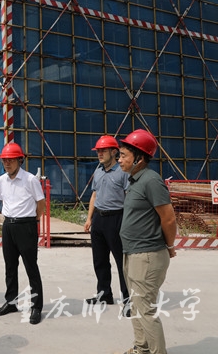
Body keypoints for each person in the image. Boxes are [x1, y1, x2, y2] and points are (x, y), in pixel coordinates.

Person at [117, 129, 177, 354]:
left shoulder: (151, 181)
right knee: (136, 305)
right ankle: (141, 348)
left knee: (146, 310)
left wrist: (169, 246)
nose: (119, 159)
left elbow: (168, 218)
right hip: (132, 253)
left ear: (139, 158)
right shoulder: (135, 180)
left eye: (124, 155)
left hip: (147, 256)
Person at [0, 142, 45, 325]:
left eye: (11, 160)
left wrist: (34, 220)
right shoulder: (2, 180)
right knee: (10, 266)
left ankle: (36, 306)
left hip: (26, 226)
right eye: (4, 160)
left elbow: (41, 203)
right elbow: (2, 201)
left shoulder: (30, 180)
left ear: (20, 160)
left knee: (31, 267)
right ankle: (11, 302)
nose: (7, 163)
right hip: (8, 226)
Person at [84, 136, 130, 309]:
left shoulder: (123, 172)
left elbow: (129, 197)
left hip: (116, 218)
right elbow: (94, 195)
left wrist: (128, 222)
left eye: (103, 151)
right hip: (99, 219)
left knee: (122, 262)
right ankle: (104, 295)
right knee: (100, 260)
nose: (100, 154)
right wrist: (89, 218)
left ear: (114, 152)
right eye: (98, 151)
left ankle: (128, 299)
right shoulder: (98, 172)